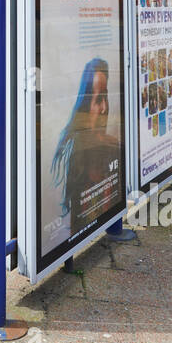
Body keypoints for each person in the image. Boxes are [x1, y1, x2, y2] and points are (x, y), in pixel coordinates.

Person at [49, 59, 122, 237]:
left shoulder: (113, 147)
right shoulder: (74, 155)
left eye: (105, 97)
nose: (105, 108)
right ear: (85, 104)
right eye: (98, 99)